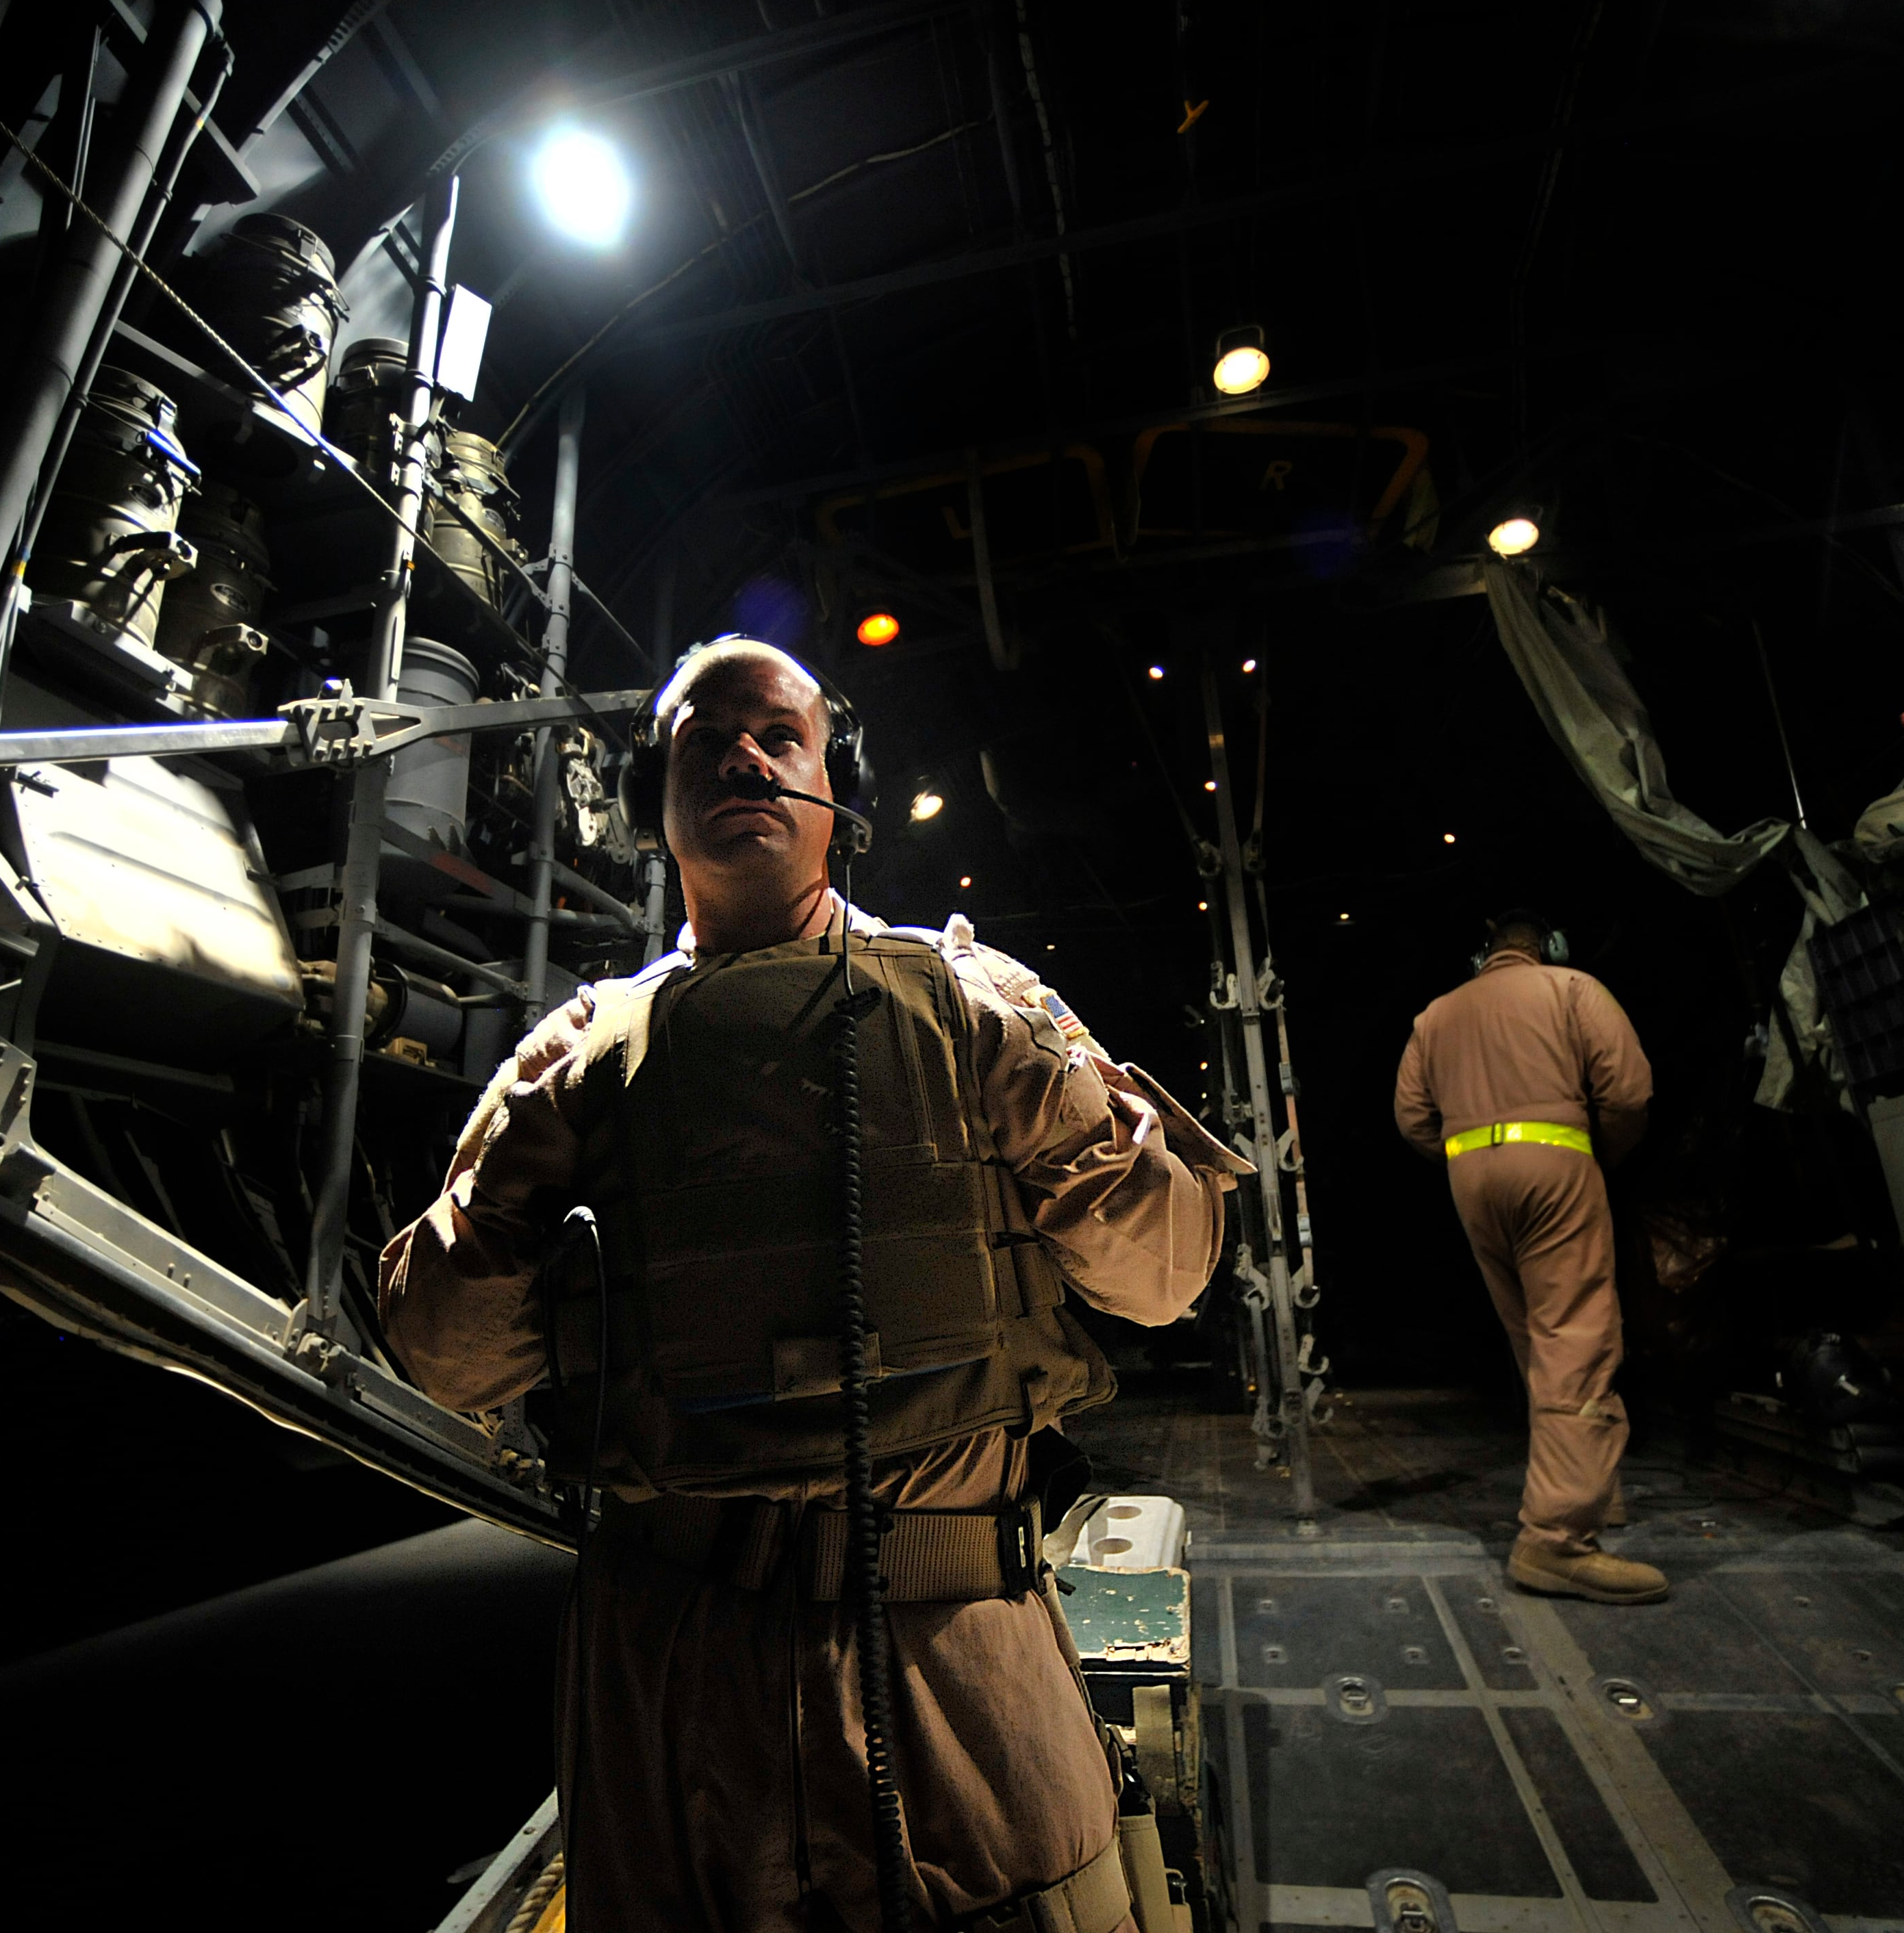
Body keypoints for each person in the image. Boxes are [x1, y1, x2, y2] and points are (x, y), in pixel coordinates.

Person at [377, 637, 1249, 1932]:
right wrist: (516, 1177)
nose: (742, 754)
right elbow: (448, 1361)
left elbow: (1162, 1276)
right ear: (650, 800)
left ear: (839, 790)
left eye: (779, 735)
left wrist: (1071, 1122)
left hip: (950, 1648)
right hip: (671, 1687)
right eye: (703, 738)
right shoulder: (577, 1053)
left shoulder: (973, 1002)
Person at [1393, 906, 1664, 1605]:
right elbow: (1628, 1090)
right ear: (1547, 947)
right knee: (1575, 1336)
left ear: (1484, 954)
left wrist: (1469, 1153)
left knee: (1534, 1340)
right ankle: (1557, 1540)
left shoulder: (1436, 1014)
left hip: (1470, 1178)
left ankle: (1588, 1490)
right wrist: (1593, 1155)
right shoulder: (1571, 989)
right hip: (1554, 1163)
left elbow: (1412, 1118)